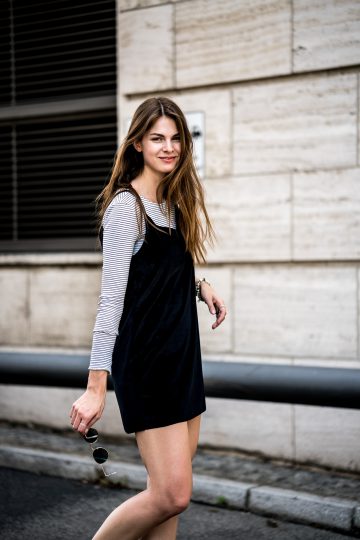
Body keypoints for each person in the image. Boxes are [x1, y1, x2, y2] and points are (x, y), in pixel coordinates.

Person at [69, 96, 227, 540]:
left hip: (182, 360)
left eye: (176, 138)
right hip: (149, 364)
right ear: (137, 142)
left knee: (167, 501)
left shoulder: (173, 205)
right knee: (172, 495)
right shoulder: (126, 208)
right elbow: (112, 302)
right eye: (157, 138)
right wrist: (95, 387)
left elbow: (159, 274)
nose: (169, 146)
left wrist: (200, 286)